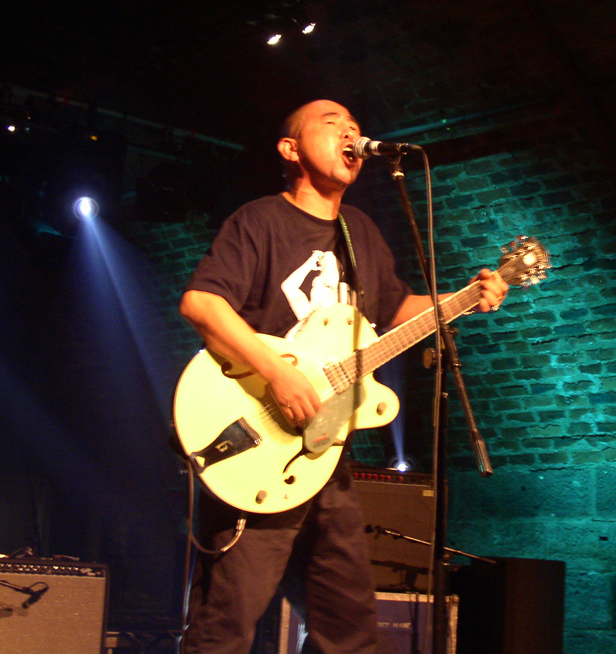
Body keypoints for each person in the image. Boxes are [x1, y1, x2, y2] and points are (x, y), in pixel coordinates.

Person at [178, 99, 509, 654]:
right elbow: (201, 304)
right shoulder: (261, 220)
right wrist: (276, 373)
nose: (351, 133)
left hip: (326, 461)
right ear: (291, 149)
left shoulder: (360, 230)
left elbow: (395, 309)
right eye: (332, 124)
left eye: (355, 127)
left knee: (350, 631)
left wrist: (467, 298)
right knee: (225, 628)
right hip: (258, 444)